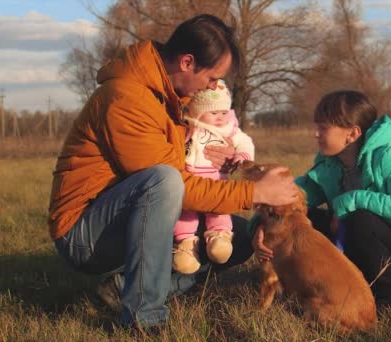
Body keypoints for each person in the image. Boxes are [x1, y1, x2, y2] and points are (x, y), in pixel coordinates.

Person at [48, 14, 298, 331]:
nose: (214, 87)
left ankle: (124, 288)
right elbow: (174, 184)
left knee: (240, 236)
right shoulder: (127, 98)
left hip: (129, 214)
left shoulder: (169, 96)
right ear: (187, 62)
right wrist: (256, 192)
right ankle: (144, 318)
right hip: (82, 233)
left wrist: (217, 154)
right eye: (212, 78)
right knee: (163, 181)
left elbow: (176, 165)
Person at [253, 90, 391, 315]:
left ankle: (390, 305)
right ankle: (304, 285)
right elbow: (293, 197)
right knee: (307, 219)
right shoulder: (331, 162)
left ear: (352, 134)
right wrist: (260, 223)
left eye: (323, 127)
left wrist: (351, 200)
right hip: (380, 252)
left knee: (361, 219)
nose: (315, 133)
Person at [173, 79, 254, 274]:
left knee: (219, 211)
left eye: (224, 113)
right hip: (188, 187)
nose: (220, 118)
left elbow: (244, 142)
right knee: (185, 216)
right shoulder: (187, 128)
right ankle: (185, 245)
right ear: (197, 112)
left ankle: (220, 238)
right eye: (213, 113)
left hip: (217, 183)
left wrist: (241, 156)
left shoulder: (228, 129)